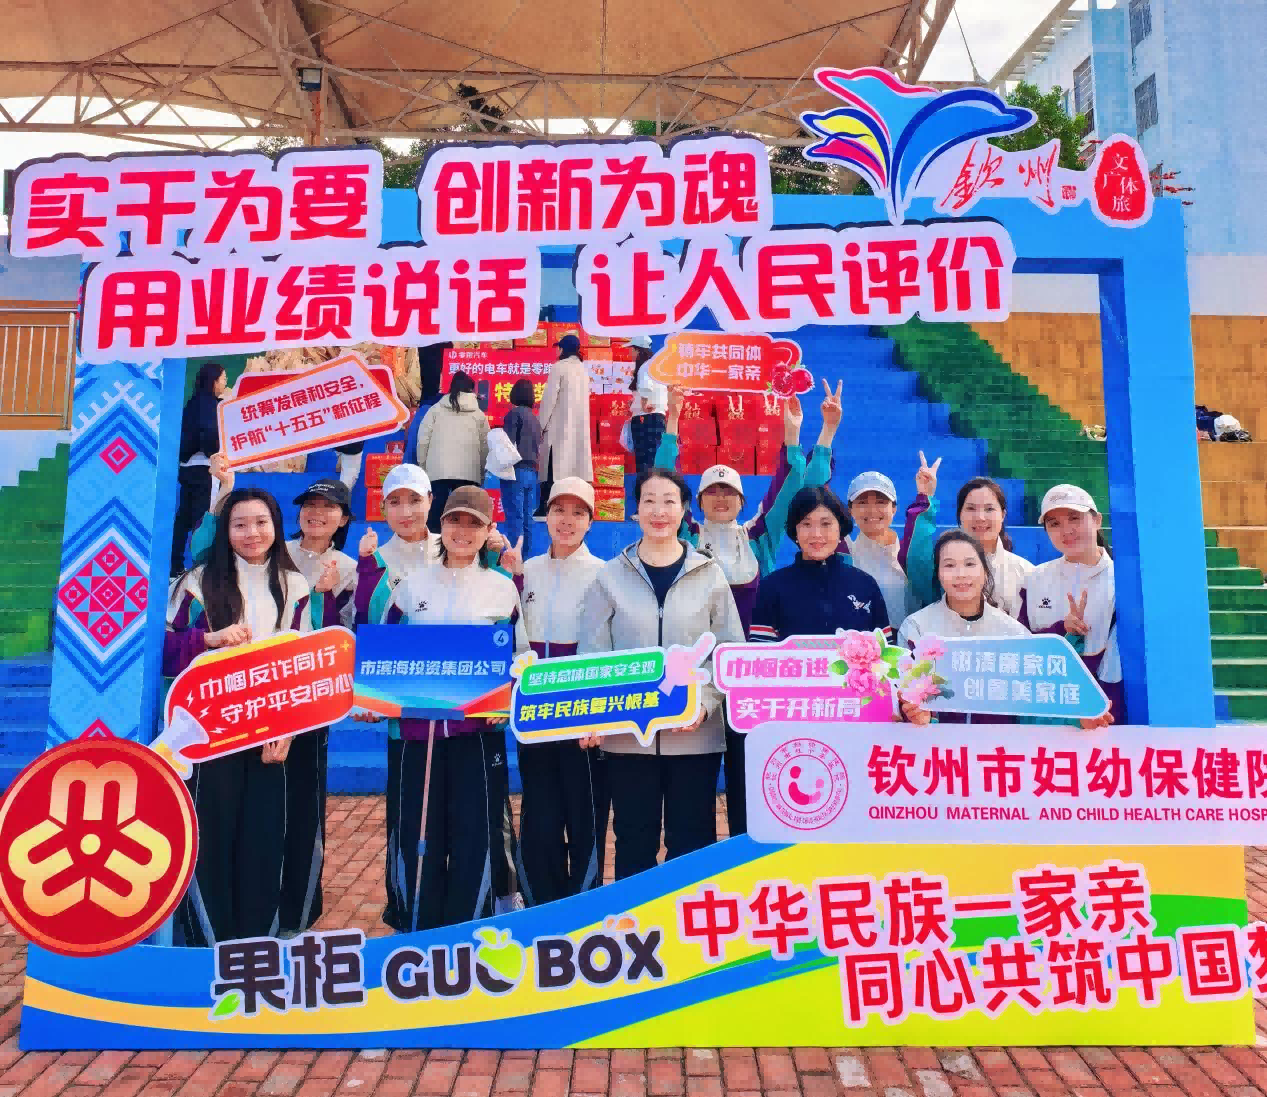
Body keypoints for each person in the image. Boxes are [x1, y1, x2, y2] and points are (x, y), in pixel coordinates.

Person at [655, 379, 843, 835]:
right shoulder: (685, 538)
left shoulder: (759, 539)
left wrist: (808, 434)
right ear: (698, 501)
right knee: (694, 789)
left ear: (741, 501)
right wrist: (672, 420)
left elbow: (793, 491)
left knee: (750, 780)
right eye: (712, 491)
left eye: (729, 492)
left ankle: (750, 853)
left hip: (750, 681)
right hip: (698, 678)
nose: (721, 498)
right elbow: (663, 482)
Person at [578, 468, 744, 881]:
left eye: (669, 501)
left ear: (684, 510)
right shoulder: (609, 576)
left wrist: (704, 704)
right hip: (628, 736)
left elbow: (729, 651)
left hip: (695, 736)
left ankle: (686, 919)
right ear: (636, 510)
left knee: (692, 843)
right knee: (634, 841)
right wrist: (594, 714)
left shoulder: (710, 574)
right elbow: (594, 654)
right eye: (649, 501)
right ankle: (636, 921)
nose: (659, 511)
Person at [165, 488, 311, 946]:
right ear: (224, 531)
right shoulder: (196, 583)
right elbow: (162, 650)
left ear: (276, 526)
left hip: (269, 736)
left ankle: (255, 949)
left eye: (261, 522)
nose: (252, 533)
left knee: (263, 842)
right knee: (210, 839)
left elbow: (302, 664)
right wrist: (207, 641)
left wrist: (288, 731)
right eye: (240, 524)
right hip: (207, 737)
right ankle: (208, 946)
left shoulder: (294, 585)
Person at [377, 486, 526, 930]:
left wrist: (508, 696)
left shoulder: (502, 589)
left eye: (474, 523)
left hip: (477, 737)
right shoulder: (412, 585)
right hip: (418, 737)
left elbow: (521, 658)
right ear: (440, 525)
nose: (463, 531)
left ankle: (471, 930)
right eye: (454, 521)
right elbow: (385, 651)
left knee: (475, 833)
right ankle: (416, 927)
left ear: (488, 530)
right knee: (417, 833)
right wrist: (376, 697)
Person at [499, 477, 609, 905]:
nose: (567, 521)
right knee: (540, 816)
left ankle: (585, 907)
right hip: (535, 711)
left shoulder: (604, 573)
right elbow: (510, 630)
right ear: (546, 516)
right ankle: (540, 905)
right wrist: (510, 575)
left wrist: (598, 713)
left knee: (585, 815)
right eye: (559, 510)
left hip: (583, 713)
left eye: (578, 513)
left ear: (590, 522)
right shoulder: (527, 569)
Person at [897, 530, 1031, 725]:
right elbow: (903, 697)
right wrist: (920, 715)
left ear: (985, 571)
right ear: (938, 574)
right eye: (949, 565)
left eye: (969, 564)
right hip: (935, 742)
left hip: (997, 743)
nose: (961, 574)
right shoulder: (916, 627)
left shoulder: (1013, 632)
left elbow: (1027, 706)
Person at [1019, 485, 1119, 728]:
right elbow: (1021, 648)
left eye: (1075, 518)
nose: (1066, 531)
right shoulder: (1035, 578)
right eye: (1054, 524)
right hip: (1049, 715)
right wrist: (1060, 629)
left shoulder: (1122, 580)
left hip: (1107, 716)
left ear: (1097, 520)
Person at [750, 485, 890, 642]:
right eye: (806, 524)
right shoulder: (771, 588)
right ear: (795, 531)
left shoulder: (866, 585)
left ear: (840, 529)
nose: (816, 534)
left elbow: (886, 652)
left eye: (826, 524)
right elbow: (761, 653)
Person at [906, 475, 1035, 619]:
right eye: (971, 508)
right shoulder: (940, 566)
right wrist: (925, 498)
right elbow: (917, 563)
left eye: (989, 509)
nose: (980, 517)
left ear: (1003, 515)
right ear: (959, 515)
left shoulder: (1026, 573)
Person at [844, 452, 940, 626]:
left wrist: (925, 496)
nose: (872, 510)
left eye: (881, 502)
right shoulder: (844, 555)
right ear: (850, 510)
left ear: (894, 509)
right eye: (862, 503)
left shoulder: (910, 555)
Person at [416, 369, 490, 533]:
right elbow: (486, 446)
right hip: (469, 472)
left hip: (437, 471)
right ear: (471, 390)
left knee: (435, 514)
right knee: (465, 516)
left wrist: (423, 466)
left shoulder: (435, 409)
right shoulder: (479, 415)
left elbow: (423, 440)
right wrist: (481, 472)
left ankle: (434, 546)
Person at [171, 362, 227, 577]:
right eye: (223, 379)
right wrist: (215, 453)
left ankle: (175, 566)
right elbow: (209, 436)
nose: (225, 383)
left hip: (186, 468)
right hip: (205, 468)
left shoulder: (192, 403)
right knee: (204, 519)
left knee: (184, 518)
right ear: (214, 381)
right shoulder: (211, 405)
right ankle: (202, 567)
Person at [538, 333, 593, 511]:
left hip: (558, 427)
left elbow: (549, 400)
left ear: (563, 349)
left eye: (559, 347)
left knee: (553, 468)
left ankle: (546, 507)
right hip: (578, 429)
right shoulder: (583, 370)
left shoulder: (559, 367)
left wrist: (540, 426)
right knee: (573, 469)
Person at [500, 378, 543, 557]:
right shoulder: (535, 419)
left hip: (514, 471)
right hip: (531, 472)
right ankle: (525, 558)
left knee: (514, 516)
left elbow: (507, 445)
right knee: (526, 517)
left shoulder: (514, 415)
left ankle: (513, 557)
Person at [627, 335, 666, 478]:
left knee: (644, 461)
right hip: (656, 417)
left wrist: (643, 404)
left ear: (638, 350)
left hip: (646, 419)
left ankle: (645, 488)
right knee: (653, 459)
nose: (630, 353)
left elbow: (646, 387)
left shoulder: (646, 366)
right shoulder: (656, 366)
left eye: (632, 350)